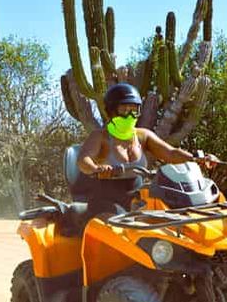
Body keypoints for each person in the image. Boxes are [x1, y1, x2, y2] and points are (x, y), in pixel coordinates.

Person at [76, 83, 219, 215]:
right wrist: (97, 169)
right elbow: (83, 160)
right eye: (124, 110)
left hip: (138, 199)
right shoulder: (100, 137)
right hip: (105, 204)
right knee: (123, 231)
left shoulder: (143, 136)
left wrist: (197, 159)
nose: (130, 115)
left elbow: (171, 153)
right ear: (111, 111)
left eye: (134, 110)